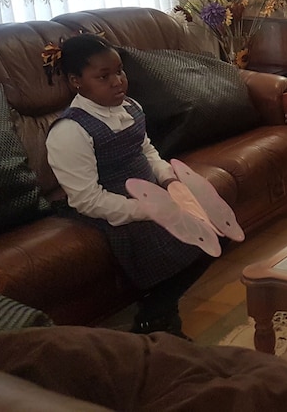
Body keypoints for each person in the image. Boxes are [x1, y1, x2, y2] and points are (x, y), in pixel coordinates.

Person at [44, 33, 212, 339]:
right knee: (185, 240)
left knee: (212, 229)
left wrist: (168, 179)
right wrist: (149, 209)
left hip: (150, 195)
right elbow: (87, 199)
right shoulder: (70, 131)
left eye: (119, 71)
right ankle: (155, 317)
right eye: (103, 76)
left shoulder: (130, 107)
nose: (117, 81)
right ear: (76, 81)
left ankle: (158, 312)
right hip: (108, 208)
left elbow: (146, 151)